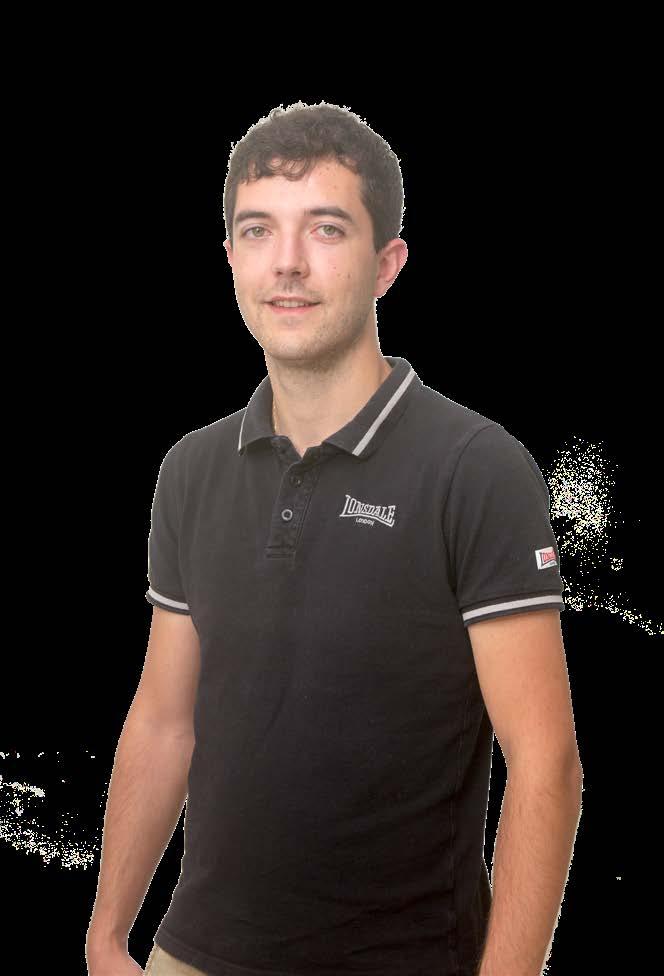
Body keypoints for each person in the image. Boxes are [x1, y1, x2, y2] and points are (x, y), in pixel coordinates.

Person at [86, 101, 583, 976]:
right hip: (192, 955)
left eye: (325, 228)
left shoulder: (476, 469)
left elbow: (545, 765)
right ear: (232, 257)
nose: (287, 262)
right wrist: (106, 935)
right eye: (258, 230)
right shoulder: (190, 469)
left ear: (386, 263)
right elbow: (164, 721)